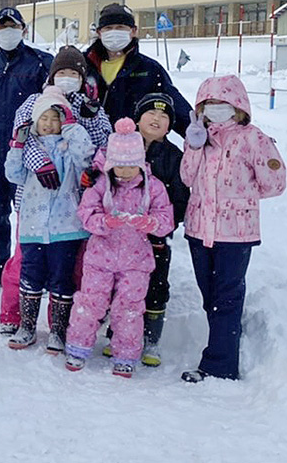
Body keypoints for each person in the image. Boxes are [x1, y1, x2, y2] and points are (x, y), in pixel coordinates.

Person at [179, 75, 286, 383]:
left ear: (237, 106)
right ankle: (223, 346)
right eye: (209, 104)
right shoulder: (199, 136)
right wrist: (194, 145)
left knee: (226, 297)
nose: (216, 109)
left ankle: (219, 365)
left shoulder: (253, 138)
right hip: (199, 229)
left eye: (222, 103)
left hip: (235, 234)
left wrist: (241, 199)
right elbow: (187, 178)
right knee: (209, 296)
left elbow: (275, 183)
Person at [0, 46, 111, 335]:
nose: (67, 78)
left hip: (72, 201)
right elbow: (23, 135)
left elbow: (100, 147)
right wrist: (40, 163)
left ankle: (62, 326)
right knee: (25, 262)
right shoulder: (36, 101)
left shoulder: (88, 106)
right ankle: (14, 315)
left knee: (70, 267)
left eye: (74, 73)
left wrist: (92, 118)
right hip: (34, 198)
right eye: (62, 73)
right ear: (52, 75)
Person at [64, 118, 174, 378]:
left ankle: (125, 354)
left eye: (130, 166)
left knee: (130, 307)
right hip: (100, 258)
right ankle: (78, 346)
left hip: (136, 261)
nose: (125, 172)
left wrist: (151, 223)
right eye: (119, 166)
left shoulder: (153, 188)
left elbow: (166, 220)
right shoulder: (101, 185)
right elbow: (86, 214)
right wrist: (103, 222)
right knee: (90, 303)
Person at [3, 88, 94, 353]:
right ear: (35, 121)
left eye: (55, 118)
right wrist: (17, 146)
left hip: (66, 229)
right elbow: (13, 175)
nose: (49, 123)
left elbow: (85, 155)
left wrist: (72, 127)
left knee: (61, 278)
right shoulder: (31, 150)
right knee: (30, 275)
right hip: (32, 226)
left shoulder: (69, 147)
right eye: (44, 118)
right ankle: (27, 326)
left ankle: (58, 331)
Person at [0, 7, 52, 291]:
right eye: (3, 27)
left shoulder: (42, 63)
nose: (8, 31)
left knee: (33, 210)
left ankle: (34, 271)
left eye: (13, 26)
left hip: (31, 145)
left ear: (24, 30)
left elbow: (53, 103)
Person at [132, 92, 190, 367]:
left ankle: (151, 339)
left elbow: (180, 199)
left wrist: (164, 225)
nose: (157, 119)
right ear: (137, 118)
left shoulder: (174, 157)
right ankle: (120, 332)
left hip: (155, 238)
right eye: (151, 114)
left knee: (156, 286)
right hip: (123, 237)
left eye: (164, 116)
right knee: (124, 287)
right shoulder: (122, 147)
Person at [83, 3, 191, 136]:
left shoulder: (149, 69)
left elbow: (175, 105)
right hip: (88, 147)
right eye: (108, 28)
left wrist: (195, 134)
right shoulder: (83, 65)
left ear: (133, 31)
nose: (114, 32)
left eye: (120, 27)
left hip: (134, 148)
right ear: (99, 33)